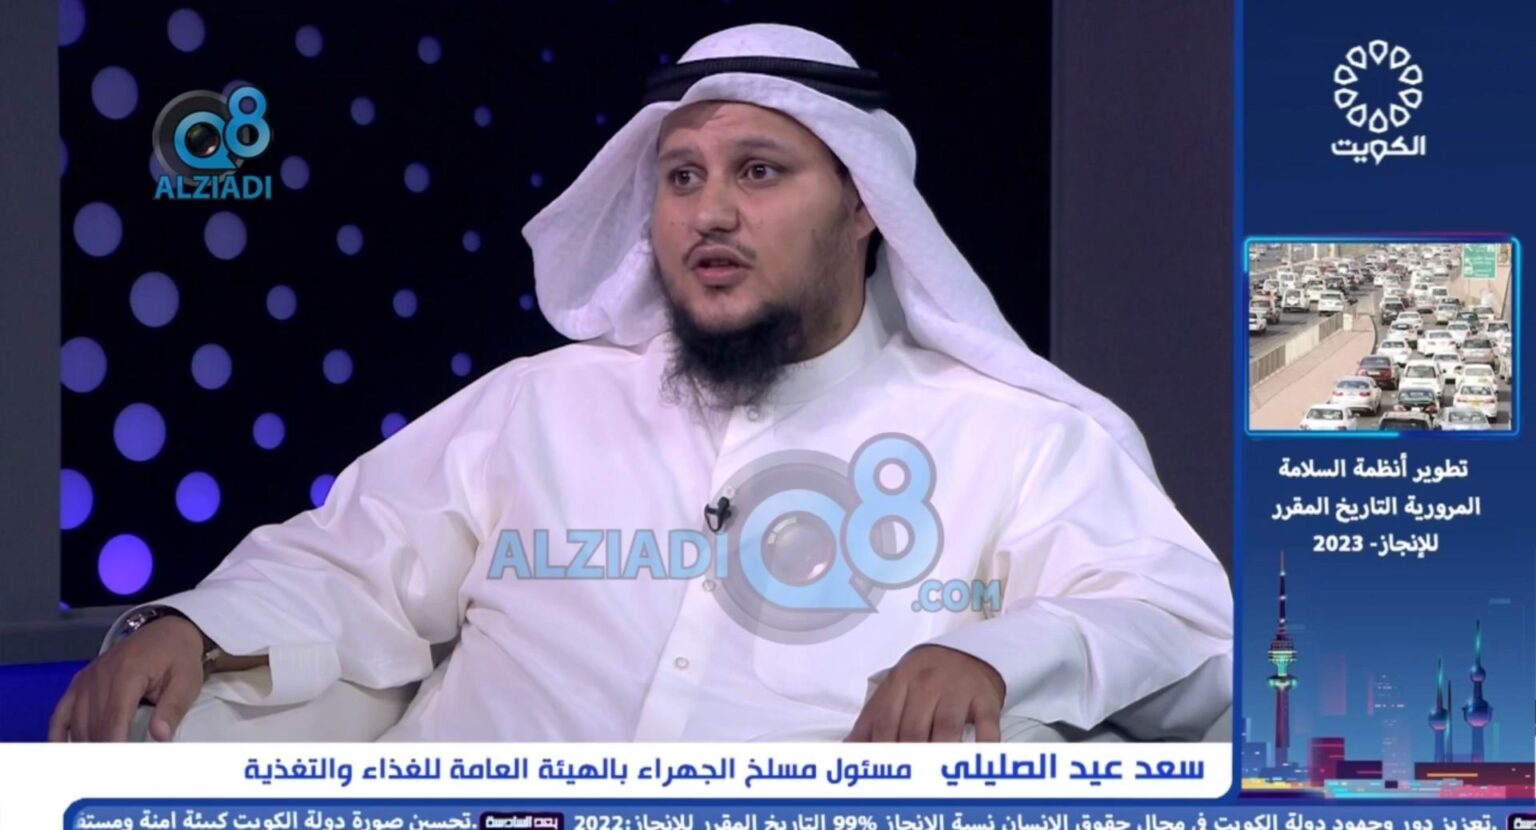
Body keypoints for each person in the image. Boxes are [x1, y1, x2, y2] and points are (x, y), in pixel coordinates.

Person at [50, 23, 1232, 744]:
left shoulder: (1013, 440)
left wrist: (997, 656)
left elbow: (1178, 624)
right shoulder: (538, 405)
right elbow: (349, 562)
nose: (708, 212)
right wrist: (194, 626)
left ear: (866, 207)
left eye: (759, 172)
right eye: (681, 176)